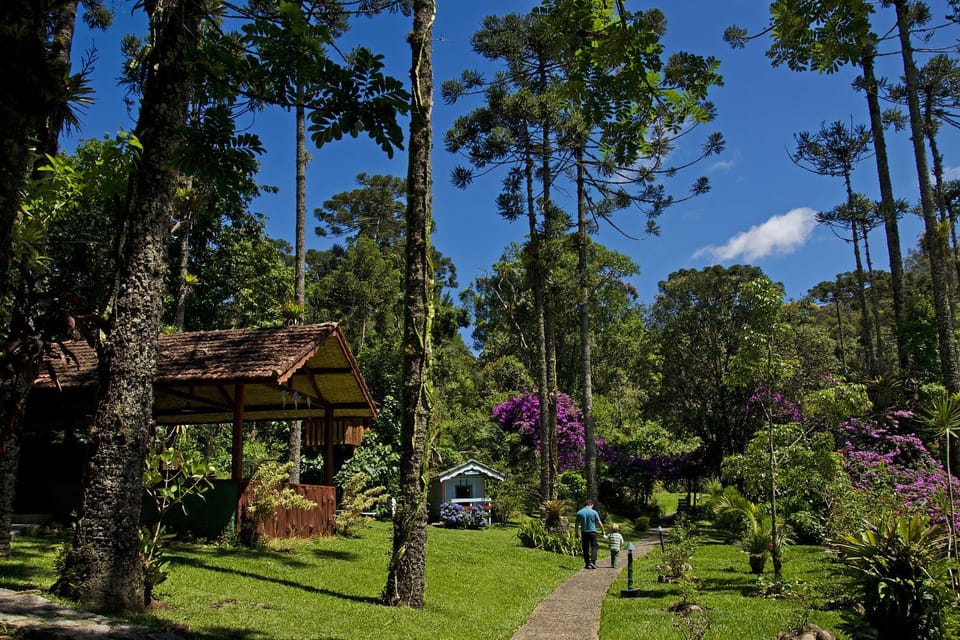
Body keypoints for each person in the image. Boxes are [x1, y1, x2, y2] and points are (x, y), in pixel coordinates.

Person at [574, 500, 605, 569]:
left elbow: (576, 524)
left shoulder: (579, 512)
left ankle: (587, 563)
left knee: (585, 548)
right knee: (594, 547)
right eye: (592, 506)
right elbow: (599, 522)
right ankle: (592, 562)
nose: (592, 507)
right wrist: (603, 530)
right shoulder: (594, 512)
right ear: (591, 504)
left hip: (584, 532)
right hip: (592, 532)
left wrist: (576, 533)